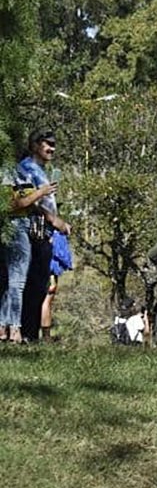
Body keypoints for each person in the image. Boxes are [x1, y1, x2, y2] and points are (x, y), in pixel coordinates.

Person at [2, 130, 71, 344]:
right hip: (27, 228)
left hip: (41, 231)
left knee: (38, 285)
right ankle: (18, 330)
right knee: (22, 282)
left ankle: (25, 332)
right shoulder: (24, 168)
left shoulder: (41, 170)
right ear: (34, 145)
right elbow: (25, 203)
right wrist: (53, 220)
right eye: (47, 144)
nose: (52, 148)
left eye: (54, 144)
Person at [42, 229, 74, 341]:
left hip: (44, 266)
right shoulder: (51, 232)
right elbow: (58, 252)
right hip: (49, 268)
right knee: (47, 300)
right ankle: (46, 336)